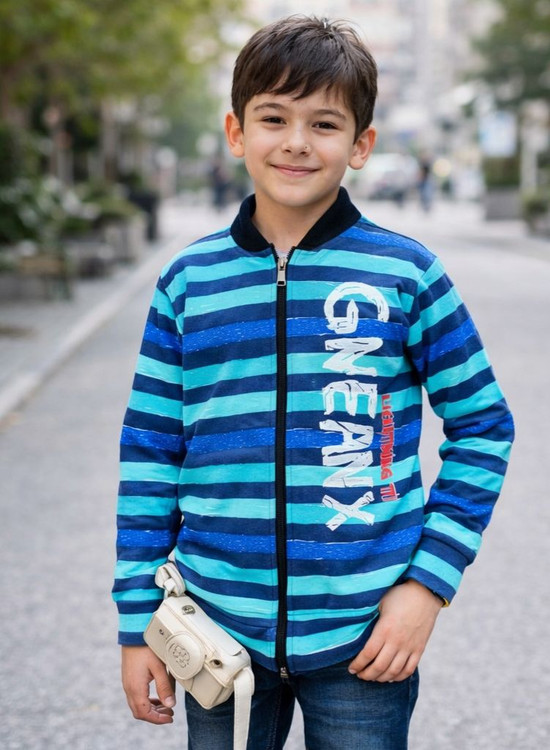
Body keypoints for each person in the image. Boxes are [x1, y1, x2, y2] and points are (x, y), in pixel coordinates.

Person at [112, 15, 514, 749]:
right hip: (217, 633)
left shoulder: (406, 274)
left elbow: (484, 426)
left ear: (361, 144)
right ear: (237, 132)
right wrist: (138, 619)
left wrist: (426, 586)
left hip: (366, 635)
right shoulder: (188, 281)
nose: (297, 141)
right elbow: (150, 452)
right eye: (274, 118)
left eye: (324, 124)